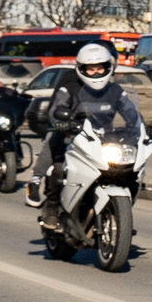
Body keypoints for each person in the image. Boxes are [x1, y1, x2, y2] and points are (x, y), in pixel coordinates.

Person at [28, 41, 125, 207]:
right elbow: (57, 106)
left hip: (101, 134)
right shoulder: (70, 82)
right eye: (91, 68)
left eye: (100, 67)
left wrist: (142, 127)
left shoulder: (113, 87)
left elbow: (129, 109)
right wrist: (60, 122)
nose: (96, 72)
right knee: (55, 145)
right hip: (71, 131)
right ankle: (37, 180)